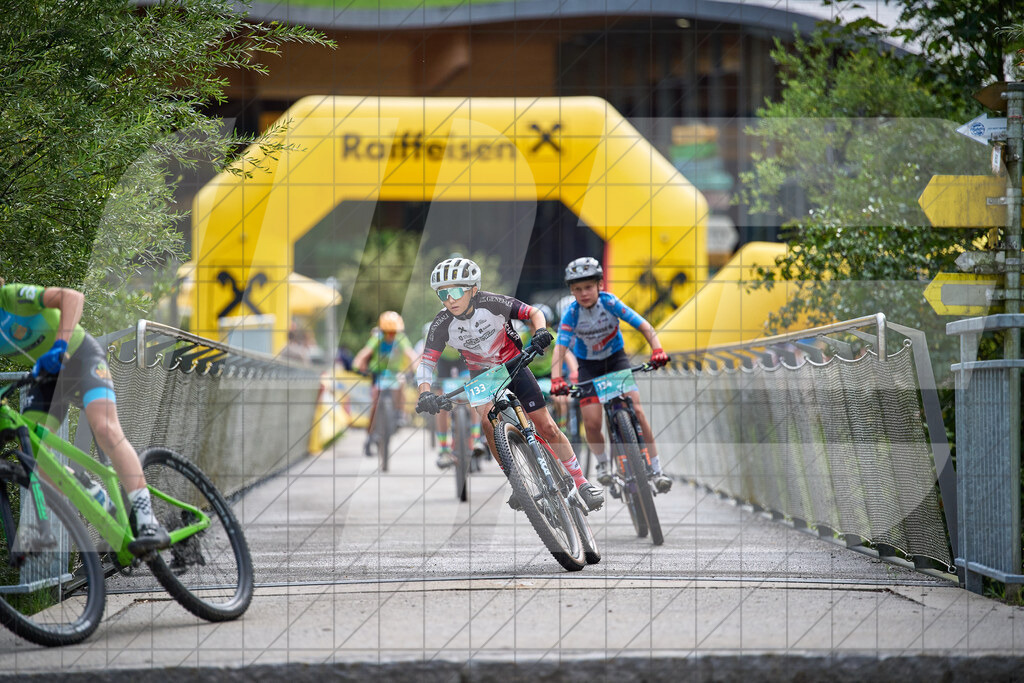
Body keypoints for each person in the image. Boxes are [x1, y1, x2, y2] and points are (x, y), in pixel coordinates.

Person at [414, 257, 604, 512]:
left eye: (456, 292)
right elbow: (426, 364)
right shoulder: (441, 323)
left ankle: (581, 482)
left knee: (547, 426)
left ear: (473, 289)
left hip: (514, 365)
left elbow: (533, 313)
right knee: (487, 423)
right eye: (442, 294)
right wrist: (424, 393)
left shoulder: (492, 302)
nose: (450, 300)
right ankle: (517, 483)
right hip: (482, 376)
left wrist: (540, 331)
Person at [0, 281, 170, 554]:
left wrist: (60, 344)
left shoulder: (11, 298)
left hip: (79, 356)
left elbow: (73, 297)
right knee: (32, 455)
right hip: (47, 375)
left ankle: (147, 520)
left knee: (104, 429)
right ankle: (85, 486)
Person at [549, 257, 673, 493]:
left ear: (600, 285)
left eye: (588, 287)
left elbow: (643, 325)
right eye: (578, 289)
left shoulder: (610, 302)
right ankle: (603, 464)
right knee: (592, 422)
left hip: (616, 360)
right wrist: (556, 379)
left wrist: (657, 350)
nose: (584, 293)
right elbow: (560, 348)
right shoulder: (571, 314)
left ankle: (657, 470)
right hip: (589, 367)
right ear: (572, 291)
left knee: (637, 411)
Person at [352, 311, 419, 456]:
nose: (391, 335)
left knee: (401, 382)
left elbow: (411, 354)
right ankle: (370, 435)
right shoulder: (377, 338)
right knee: (375, 401)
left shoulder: (401, 339)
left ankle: (400, 414)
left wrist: (417, 368)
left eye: (394, 332)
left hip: (394, 373)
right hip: (378, 373)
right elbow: (365, 352)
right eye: (388, 332)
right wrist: (357, 363)